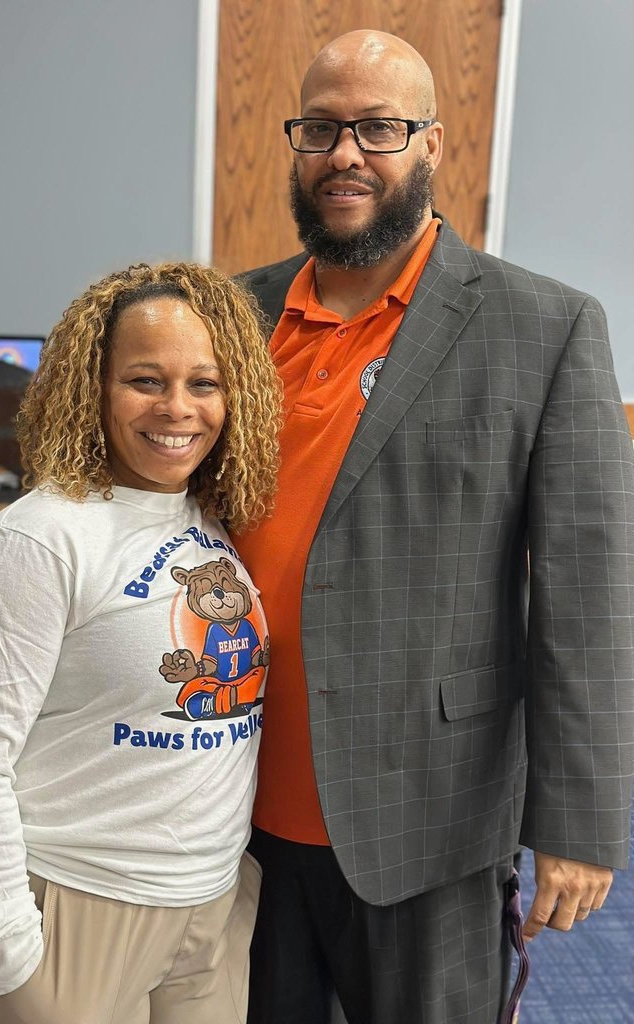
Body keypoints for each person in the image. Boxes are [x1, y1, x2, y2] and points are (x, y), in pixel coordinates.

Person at [234, 29, 634, 1024]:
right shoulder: (237, 315)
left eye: (379, 127)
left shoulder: (544, 328)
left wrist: (579, 821)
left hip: (426, 810)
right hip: (226, 797)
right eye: (320, 128)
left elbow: (591, 592)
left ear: (433, 146)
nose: (346, 155)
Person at [0, 261, 281, 1024]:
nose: (178, 408)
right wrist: (12, 953)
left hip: (207, 904)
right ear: (94, 387)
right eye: (145, 380)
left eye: (204, 383)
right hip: (72, 904)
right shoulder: (38, 541)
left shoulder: (205, 520)